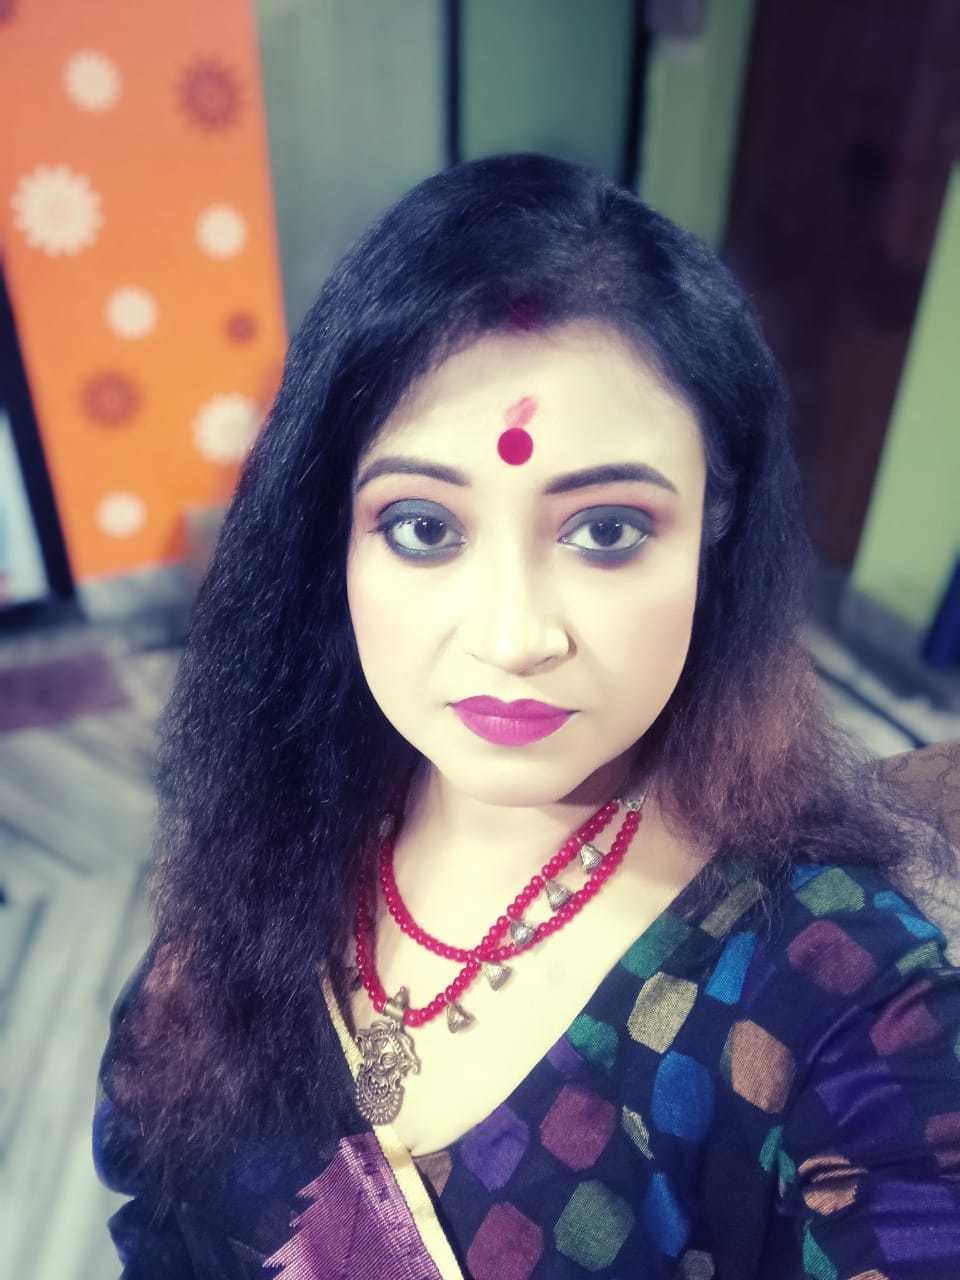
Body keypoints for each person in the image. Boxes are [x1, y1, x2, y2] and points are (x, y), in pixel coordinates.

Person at [93, 152, 960, 1279]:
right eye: (423, 526)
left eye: (607, 530)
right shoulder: (282, 811)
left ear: (716, 535)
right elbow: (158, 1209)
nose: (513, 636)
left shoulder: (824, 994)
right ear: (328, 538)